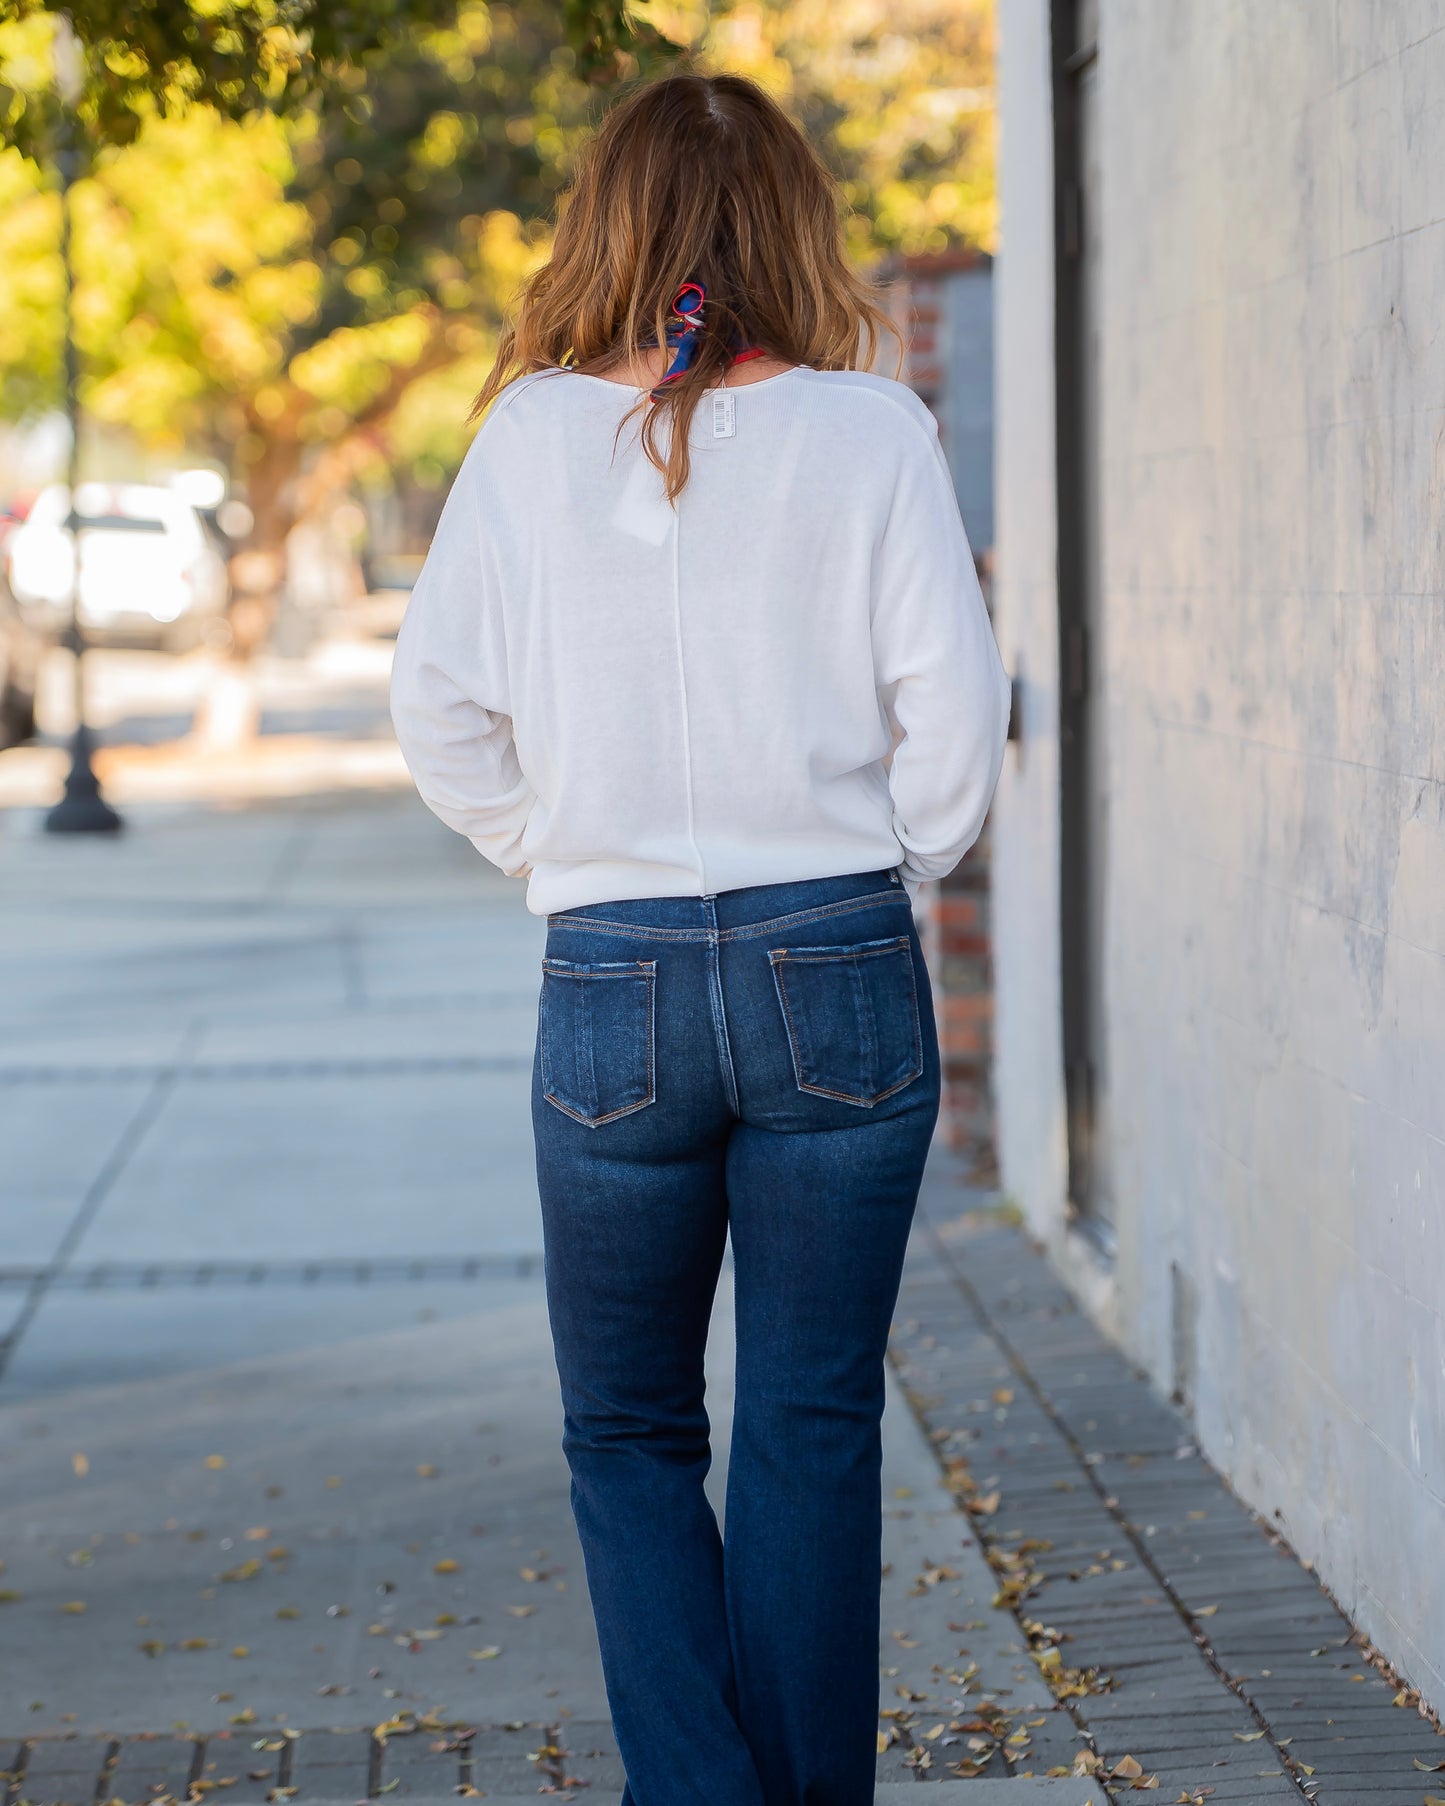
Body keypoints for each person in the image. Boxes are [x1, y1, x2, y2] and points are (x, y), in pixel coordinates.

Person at [390, 68, 1011, 1806]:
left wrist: (559, 861)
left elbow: (437, 716)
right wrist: (873, 884)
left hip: (612, 980)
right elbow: (952, 728)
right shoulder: (874, 431)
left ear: (611, 223)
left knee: (630, 1428)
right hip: (838, 959)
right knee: (810, 1422)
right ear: (793, 227)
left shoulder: (524, 441)